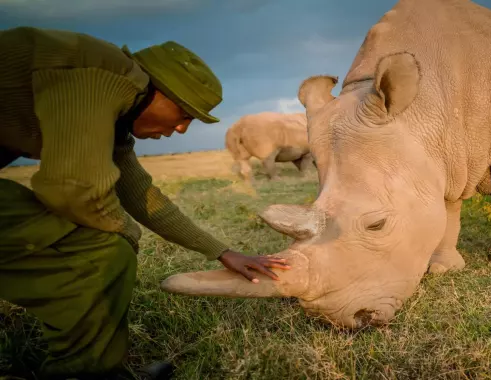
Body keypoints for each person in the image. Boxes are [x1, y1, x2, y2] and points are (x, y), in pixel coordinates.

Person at [0, 26, 291, 380]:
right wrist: (125, 231)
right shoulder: (98, 78)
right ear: (158, 91)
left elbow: (142, 195)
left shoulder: (115, 114)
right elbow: (71, 188)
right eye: (184, 113)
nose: (182, 129)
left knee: (104, 247)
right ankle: (85, 373)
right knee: (100, 249)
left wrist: (221, 251)